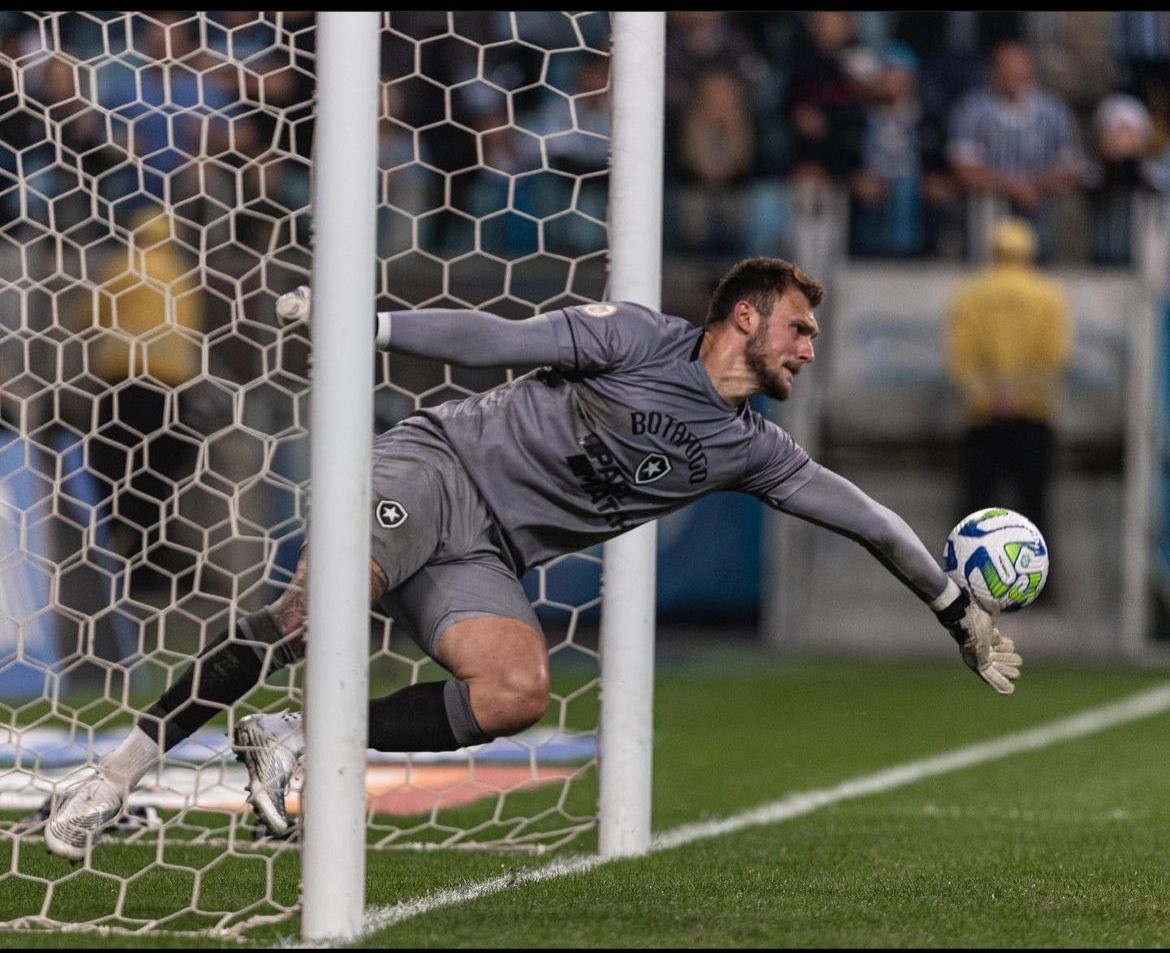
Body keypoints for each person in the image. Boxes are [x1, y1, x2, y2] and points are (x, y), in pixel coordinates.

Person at [43, 258, 1022, 860]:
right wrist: (373, 327)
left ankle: (293, 734)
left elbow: (864, 515)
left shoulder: (751, 447)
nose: (810, 347)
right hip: (435, 464)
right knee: (315, 614)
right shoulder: (642, 337)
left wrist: (956, 610)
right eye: (799, 328)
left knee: (514, 691)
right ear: (745, 320)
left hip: (485, 548)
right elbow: (495, 337)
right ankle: (113, 774)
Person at [947, 218, 1070, 559]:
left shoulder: (971, 294)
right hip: (1034, 414)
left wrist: (988, 395)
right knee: (1035, 506)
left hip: (983, 415)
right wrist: (1023, 395)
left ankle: (965, 587)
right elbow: (1055, 355)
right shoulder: (1049, 295)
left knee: (976, 511)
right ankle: (1038, 588)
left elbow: (962, 356)